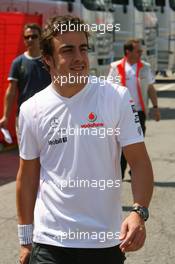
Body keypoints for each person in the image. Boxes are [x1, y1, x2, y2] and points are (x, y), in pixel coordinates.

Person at [16, 16, 154, 264]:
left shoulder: (115, 97)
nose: (79, 58)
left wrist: (138, 212)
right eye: (67, 50)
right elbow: (27, 177)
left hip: (105, 242)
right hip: (50, 243)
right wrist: (26, 241)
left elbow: (140, 163)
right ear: (47, 59)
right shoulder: (31, 109)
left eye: (83, 48)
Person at [108, 39, 160, 179]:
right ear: (128, 51)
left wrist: (155, 107)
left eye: (141, 51)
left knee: (136, 142)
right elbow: (109, 90)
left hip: (139, 112)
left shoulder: (145, 67)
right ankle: (120, 172)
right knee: (122, 143)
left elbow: (150, 88)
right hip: (121, 113)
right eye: (138, 51)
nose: (141, 53)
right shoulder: (115, 67)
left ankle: (134, 170)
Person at [0, 23, 51, 139]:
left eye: (34, 36)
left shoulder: (49, 61)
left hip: (48, 114)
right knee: (26, 155)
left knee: (49, 155)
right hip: (24, 116)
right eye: (27, 37)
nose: (30, 39)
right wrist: (5, 117)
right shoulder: (18, 62)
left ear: (41, 38)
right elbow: (11, 91)